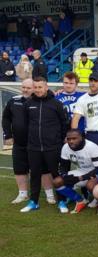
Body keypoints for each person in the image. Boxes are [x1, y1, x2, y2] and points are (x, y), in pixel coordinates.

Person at [2, 79, 56, 205]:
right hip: (19, 144)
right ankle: (23, 194)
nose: (25, 90)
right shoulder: (13, 101)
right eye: (23, 87)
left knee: (43, 170)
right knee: (19, 169)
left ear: (35, 88)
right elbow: (6, 118)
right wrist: (8, 135)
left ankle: (49, 194)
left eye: (28, 87)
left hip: (37, 143)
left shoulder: (41, 101)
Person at [20, 77, 69, 213]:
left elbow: (64, 123)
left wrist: (58, 141)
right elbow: (25, 124)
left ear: (46, 87)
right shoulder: (28, 104)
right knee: (35, 175)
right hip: (33, 147)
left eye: (40, 87)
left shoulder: (56, 104)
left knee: (57, 176)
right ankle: (33, 202)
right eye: (35, 87)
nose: (37, 90)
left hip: (53, 147)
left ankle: (62, 201)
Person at [53, 129, 98, 214]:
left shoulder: (91, 146)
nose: (71, 141)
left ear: (81, 137)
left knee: (90, 185)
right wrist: (65, 176)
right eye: (69, 139)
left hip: (95, 172)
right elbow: (63, 166)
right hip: (81, 171)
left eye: (74, 138)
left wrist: (81, 178)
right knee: (57, 181)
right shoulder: (65, 147)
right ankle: (80, 200)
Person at [72, 72, 98, 153]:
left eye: (95, 81)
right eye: (91, 81)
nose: (93, 83)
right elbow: (75, 119)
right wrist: (74, 136)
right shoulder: (82, 99)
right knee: (90, 163)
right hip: (90, 135)